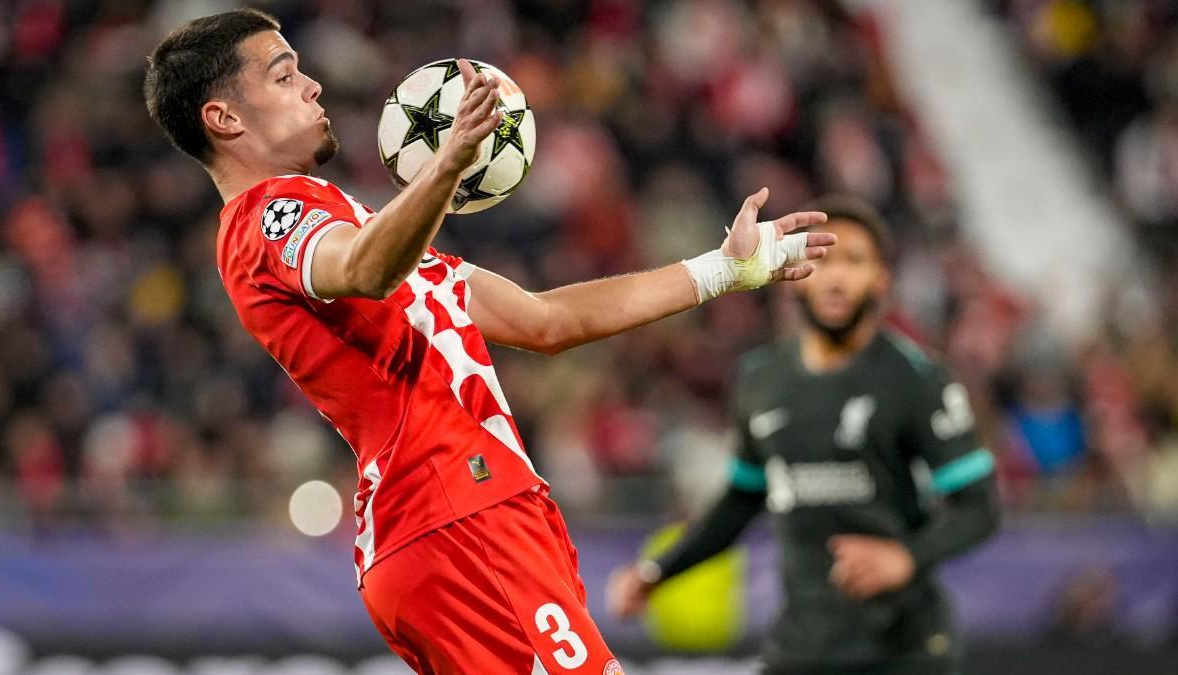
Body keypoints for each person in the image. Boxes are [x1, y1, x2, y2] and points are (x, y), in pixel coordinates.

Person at [142, 10, 835, 675]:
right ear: (224, 117)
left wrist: (724, 268)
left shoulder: (359, 223)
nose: (312, 84)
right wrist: (447, 166)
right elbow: (363, 269)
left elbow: (545, 321)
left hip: (470, 513)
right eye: (284, 74)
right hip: (454, 514)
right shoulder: (268, 218)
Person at [607, 197, 1000, 675]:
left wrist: (905, 556)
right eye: (823, 257)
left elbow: (979, 508)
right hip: (802, 644)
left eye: (855, 260)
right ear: (793, 271)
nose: (836, 277)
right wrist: (657, 573)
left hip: (903, 646)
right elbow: (741, 500)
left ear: (881, 279)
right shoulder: (761, 378)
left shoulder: (917, 381)